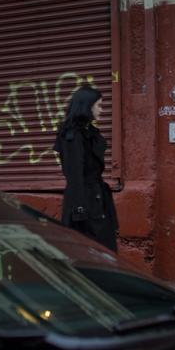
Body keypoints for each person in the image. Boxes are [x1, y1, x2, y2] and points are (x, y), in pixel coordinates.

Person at [53, 85, 118, 251]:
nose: (101, 110)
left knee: (103, 249)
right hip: (85, 202)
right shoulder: (73, 136)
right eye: (98, 105)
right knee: (90, 250)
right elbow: (74, 174)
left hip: (96, 198)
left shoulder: (89, 132)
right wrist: (79, 210)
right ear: (86, 106)